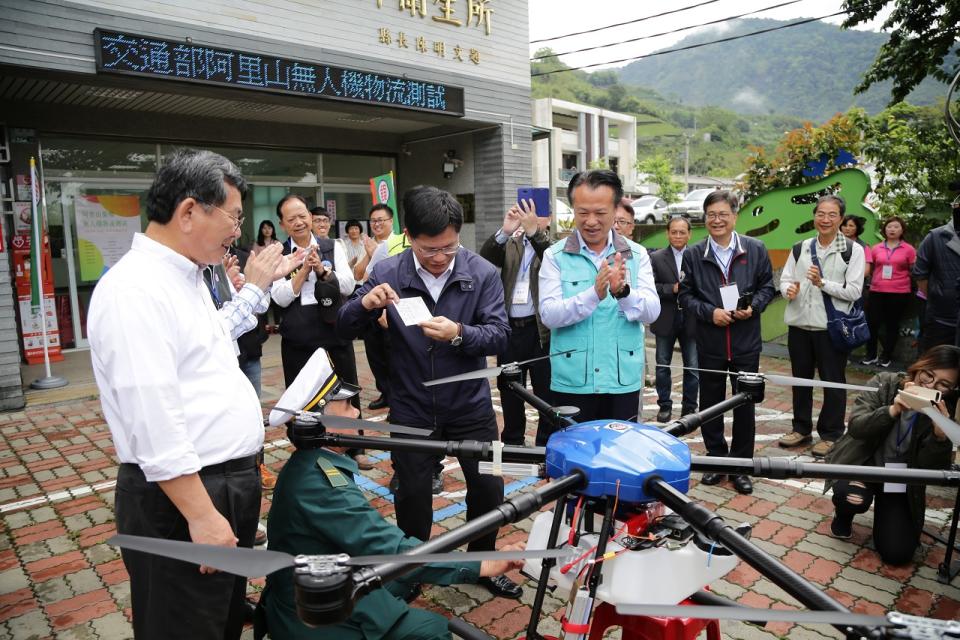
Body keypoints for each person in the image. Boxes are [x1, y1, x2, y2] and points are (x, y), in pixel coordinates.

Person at [88, 148, 285, 640]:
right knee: (184, 624)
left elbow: (206, 348)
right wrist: (201, 514)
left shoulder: (188, 275)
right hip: (181, 499)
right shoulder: (136, 288)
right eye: (234, 217)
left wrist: (254, 292)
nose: (238, 231)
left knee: (218, 620)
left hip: (219, 486)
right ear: (190, 211)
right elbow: (152, 415)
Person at [257, 350, 524, 640]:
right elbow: (388, 547)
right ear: (319, 422)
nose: (357, 413)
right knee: (433, 633)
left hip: (322, 583)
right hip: (316, 611)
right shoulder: (320, 484)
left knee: (400, 581)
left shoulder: (311, 463)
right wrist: (480, 565)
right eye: (346, 406)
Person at [337, 186, 520, 599]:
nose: (440, 257)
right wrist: (366, 304)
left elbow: (501, 336)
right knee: (412, 495)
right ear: (409, 237)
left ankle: (482, 565)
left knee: (490, 488)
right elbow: (343, 327)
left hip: (472, 407)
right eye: (428, 249)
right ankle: (412, 569)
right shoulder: (387, 273)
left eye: (449, 248)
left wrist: (459, 333)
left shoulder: (481, 272)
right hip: (412, 406)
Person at [539, 170, 660, 423]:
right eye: (582, 212)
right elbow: (549, 315)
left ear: (616, 210)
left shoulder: (637, 255)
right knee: (574, 455)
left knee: (620, 454)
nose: (591, 221)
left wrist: (623, 292)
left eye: (600, 213)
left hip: (621, 380)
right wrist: (594, 294)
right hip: (572, 381)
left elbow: (652, 312)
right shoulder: (555, 256)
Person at [679, 190, 776, 495]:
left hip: (746, 342)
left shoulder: (755, 249)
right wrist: (711, 313)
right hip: (710, 341)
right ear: (704, 219)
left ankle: (741, 466)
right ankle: (717, 460)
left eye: (723, 214)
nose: (717, 220)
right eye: (711, 215)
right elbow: (685, 295)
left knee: (745, 404)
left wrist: (753, 307)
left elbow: (768, 286)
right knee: (710, 404)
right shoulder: (694, 254)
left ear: (735, 216)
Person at [824, 345, 958, 565]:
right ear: (920, 367)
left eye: (944, 385)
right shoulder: (885, 382)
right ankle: (844, 514)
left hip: (901, 481)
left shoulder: (943, 410)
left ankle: (888, 516)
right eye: (928, 375)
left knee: (897, 554)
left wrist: (940, 437)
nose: (931, 385)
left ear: (952, 390)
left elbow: (931, 473)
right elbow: (857, 426)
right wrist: (891, 411)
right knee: (852, 498)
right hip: (867, 466)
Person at [272, 194, 373, 470]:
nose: (299, 222)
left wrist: (322, 271)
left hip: (332, 329)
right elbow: (280, 297)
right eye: (291, 218)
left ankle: (355, 446)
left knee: (345, 387)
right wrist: (303, 270)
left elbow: (348, 284)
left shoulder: (331, 246)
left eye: (302, 215)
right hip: (298, 334)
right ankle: (306, 449)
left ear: (310, 216)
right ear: (282, 224)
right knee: (302, 394)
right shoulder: (278, 253)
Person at [778, 195, 865, 458]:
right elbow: (785, 279)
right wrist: (788, 290)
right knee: (800, 380)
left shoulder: (853, 250)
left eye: (832, 215)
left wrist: (823, 283)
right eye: (821, 214)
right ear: (814, 216)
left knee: (833, 382)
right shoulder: (800, 247)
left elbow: (854, 291)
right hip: (800, 326)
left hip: (832, 329)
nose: (825, 219)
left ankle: (831, 433)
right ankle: (800, 428)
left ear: (841, 219)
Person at [479, 198, 554, 446]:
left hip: (541, 331)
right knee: (510, 388)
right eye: (526, 212)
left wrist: (535, 233)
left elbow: (553, 260)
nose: (530, 217)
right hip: (510, 329)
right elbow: (485, 258)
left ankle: (545, 441)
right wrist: (506, 230)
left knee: (545, 390)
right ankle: (513, 441)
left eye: (537, 213)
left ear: (549, 219)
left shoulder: (555, 248)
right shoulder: (512, 243)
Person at [355, 204, 403, 412]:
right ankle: (384, 392)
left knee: (394, 355)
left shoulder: (400, 243)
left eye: (381, 220)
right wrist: (368, 254)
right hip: (370, 307)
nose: (377, 224)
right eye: (373, 220)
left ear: (391, 221)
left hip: (391, 307)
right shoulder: (367, 244)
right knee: (375, 354)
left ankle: (397, 400)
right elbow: (359, 275)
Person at [650, 216, 698, 423]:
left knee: (693, 367)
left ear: (689, 234)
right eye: (674, 232)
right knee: (662, 366)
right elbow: (651, 286)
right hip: (665, 317)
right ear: (667, 233)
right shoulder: (656, 257)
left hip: (691, 319)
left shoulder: (697, 256)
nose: (678, 236)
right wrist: (671, 288)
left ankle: (689, 408)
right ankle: (664, 406)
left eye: (682, 232)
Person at [863, 216, 916, 367]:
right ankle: (871, 354)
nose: (892, 229)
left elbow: (913, 271)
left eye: (896, 227)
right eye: (889, 227)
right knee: (872, 323)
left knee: (892, 324)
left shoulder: (909, 249)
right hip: (877, 290)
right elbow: (872, 269)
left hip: (899, 292)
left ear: (902, 230)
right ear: (884, 229)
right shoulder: (876, 248)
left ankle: (886, 356)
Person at [913, 203, 960, 352]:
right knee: (934, 366)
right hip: (941, 319)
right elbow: (920, 274)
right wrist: (937, 296)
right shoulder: (935, 237)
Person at [341, 219, 366, 290]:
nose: (354, 231)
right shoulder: (343, 245)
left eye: (356, 228)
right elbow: (341, 266)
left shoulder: (365, 245)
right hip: (348, 281)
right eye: (351, 228)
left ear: (360, 230)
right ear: (347, 231)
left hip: (362, 282)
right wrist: (351, 263)